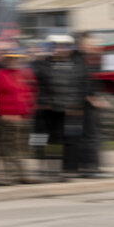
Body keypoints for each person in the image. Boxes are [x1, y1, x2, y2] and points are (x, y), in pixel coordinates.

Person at [36, 35, 82, 180]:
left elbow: (75, 86)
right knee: (41, 138)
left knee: (59, 140)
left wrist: (73, 103)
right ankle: (43, 167)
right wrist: (46, 102)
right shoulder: (44, 65)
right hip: (46, 108)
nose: (60, 49)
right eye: (57, 46)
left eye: (64, 47)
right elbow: (42, 86)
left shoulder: (73, 65)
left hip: (65, 109)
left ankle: (56, 170)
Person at [0, 52, 35, 184]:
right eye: (11, 59)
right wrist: (2, 113)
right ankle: (10, 175)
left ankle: (22, 174)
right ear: (5, 60)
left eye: (16, 59)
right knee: (9, 147)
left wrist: (28, 111)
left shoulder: (22, 74)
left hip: (22, 116)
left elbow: (28, 93)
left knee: (22, 147)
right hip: (8, 116)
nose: (14, 61)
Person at [75, 32, 113, 178]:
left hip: (89, 102)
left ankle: (92, 166)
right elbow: (79, 82)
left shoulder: (86, 59)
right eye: (91, 43)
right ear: (82, 44)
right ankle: (91, 168)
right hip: (84, 104)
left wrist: (97, 98)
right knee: (90, 136)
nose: (94, 46)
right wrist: (91, 98)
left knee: (93, 135)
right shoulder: (78, 61)